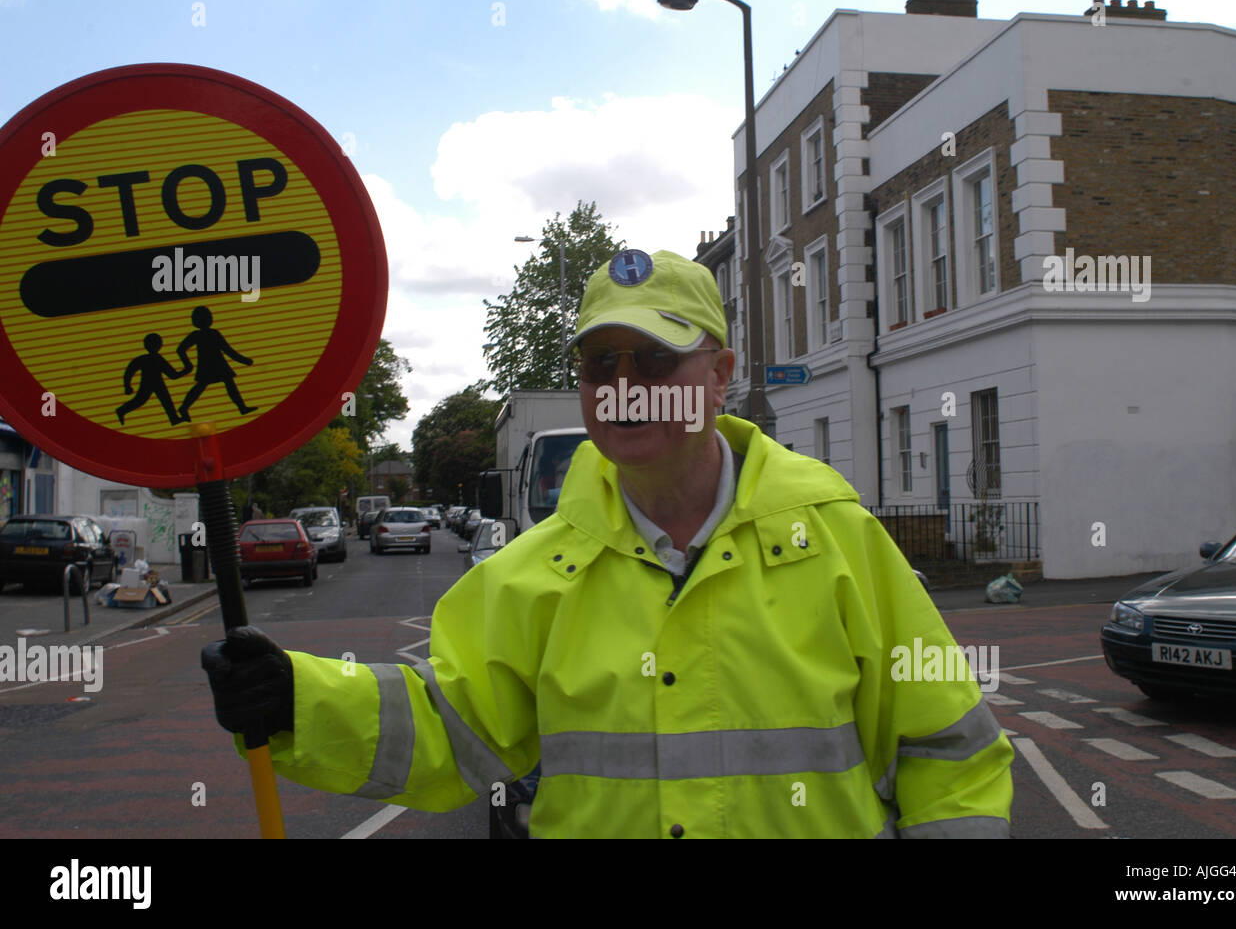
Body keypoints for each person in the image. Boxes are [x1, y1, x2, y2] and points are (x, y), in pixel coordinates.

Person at [202, 248, 1013, 838]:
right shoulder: (531, 575)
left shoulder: (839, 541)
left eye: (655, 360)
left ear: (720, 373)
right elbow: (448, 731)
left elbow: (952, 748)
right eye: (599, 364)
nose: (623, 387)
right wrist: (298, 701)